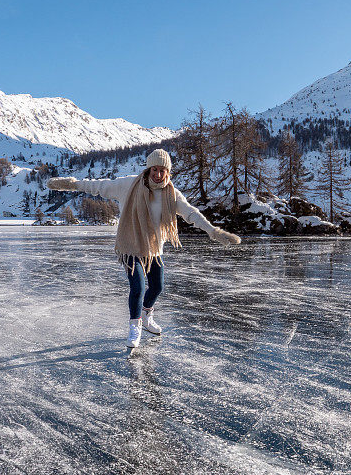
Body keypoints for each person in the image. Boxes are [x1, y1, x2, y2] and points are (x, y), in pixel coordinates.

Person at [48, 149, 240, 347]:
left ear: (168, 172)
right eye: (154, 169)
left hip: (154, 248)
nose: (158, 174)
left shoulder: (172, 194)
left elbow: (191, 214)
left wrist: (213, 231)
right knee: (138, 288)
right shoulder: (128, 184)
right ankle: (135, 326)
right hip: (130, 245)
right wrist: (70, 185)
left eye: (162, 170)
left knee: (157, 287)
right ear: (148, 169)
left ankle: (147, 316)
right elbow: (97, 186)